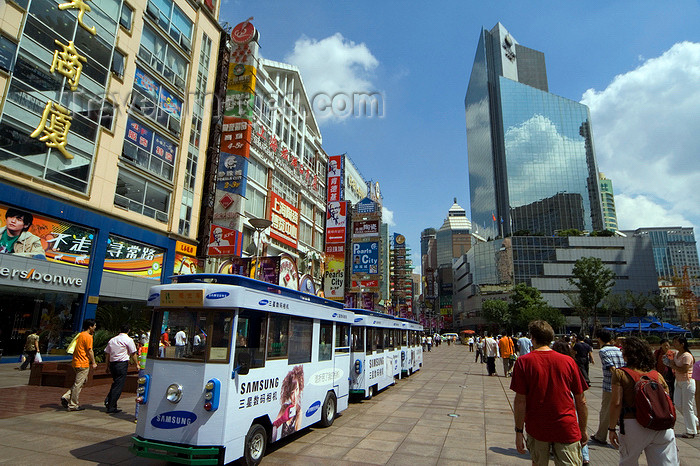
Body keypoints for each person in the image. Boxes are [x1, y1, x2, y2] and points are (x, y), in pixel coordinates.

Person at [511, 320, 588, 466]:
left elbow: (520, 401)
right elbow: (581, 400)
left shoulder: (523, 362)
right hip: (566, 427)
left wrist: (519, 431)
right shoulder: (568, 361)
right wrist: (583, 429)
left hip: (537, 428)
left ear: (532, 338)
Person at [608, 336, 678, 464]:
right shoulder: (656, 375)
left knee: (628, 462)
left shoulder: (620, 374)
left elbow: (616, 403)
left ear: (628, 354)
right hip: (661, 426)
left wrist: (611, 429)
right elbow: (666, 400)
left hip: (633, 424)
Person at [552, 341, 591, 466]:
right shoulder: (571, 363)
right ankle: (585, 457)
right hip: (570, 400)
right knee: (577, 429)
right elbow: (581, 398)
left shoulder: (552, 363)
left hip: (559, 402)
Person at [591, 329, 626, 445]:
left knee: (606, 411)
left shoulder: (603, 351)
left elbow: (611, 367)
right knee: (621, 410)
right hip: (623, 385)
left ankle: (601, 436)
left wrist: (617, 377)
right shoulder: (618, 350)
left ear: (599, 339)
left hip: (610, 385)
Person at [61, 319, 98, 411]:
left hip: (76, 362)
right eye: (94, 326)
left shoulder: (80, 335)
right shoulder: (88, 337)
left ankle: (66, 396)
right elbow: (90, 350)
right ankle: (73, 405)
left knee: (82, 381)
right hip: (83, 363)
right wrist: (93, 362)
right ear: (90, 326)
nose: (95, 327)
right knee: (78, 384)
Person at [103, 324, 138, 414]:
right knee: (119, 385)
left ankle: (109, 401)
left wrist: (107, 366)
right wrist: (137, 364)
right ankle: (111, 405)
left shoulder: (113, 340)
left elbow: (107, 354)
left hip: (113, 364)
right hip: (121, 364)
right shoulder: (128, 340)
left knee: (116, 383)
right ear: (128, 330)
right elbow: (133, 353)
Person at [668, 336, 697, 438]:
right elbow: (671, 361)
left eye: (676, 342)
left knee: (687, 406)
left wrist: (673, 366)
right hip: (679, 382)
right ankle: (696, 422)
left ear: (682, 344)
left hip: (687, 382)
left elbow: (684, 369)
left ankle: (691, 431)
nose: (674, 344)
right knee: (678, 404)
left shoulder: (687, 356)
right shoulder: (676, 354)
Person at [273, 365, 304, 440]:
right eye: (291, 393)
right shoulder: (284, 407)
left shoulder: (299, 411)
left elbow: (298, 430)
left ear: (299, 389)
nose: (294, 396)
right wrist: (282, 419)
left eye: (296, 390)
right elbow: (274, 426)